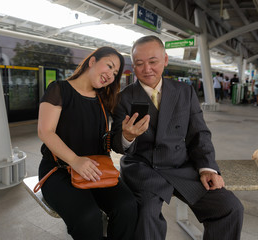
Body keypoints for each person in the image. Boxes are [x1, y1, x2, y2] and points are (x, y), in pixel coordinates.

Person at [111, 35, 244, 240]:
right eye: (139, 64)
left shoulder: (185, 92)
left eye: (153, 62)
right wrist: (127, 136)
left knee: (229, 207)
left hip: (180, 167)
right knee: (146, 215)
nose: (147, 69)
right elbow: (117, 144)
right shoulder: (123, 98)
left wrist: (207, 168)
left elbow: (199, 134)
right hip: (143, 168)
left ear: (165, 60)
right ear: (134, 66)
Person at [37, 46, 137, 240]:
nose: (110, 75)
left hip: (95, 168)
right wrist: (75, 160)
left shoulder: (103, 99)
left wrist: (128, 134)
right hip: (59, 171)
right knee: (88, 217)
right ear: (92, 61)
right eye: (108, 66)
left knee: (127, 206)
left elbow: (111, 139)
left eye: (115, 73)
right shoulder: (59, 89)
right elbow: (45, 131)